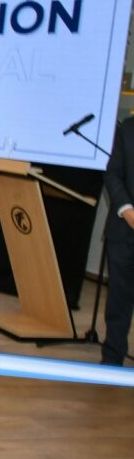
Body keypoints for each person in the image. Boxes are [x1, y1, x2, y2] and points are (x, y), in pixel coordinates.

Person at [103, 115, 134, 365]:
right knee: (118, 301)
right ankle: (112, 360)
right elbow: (113, 174)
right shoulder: (127, 128)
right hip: (124, 230)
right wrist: (127, 210)